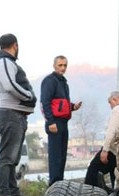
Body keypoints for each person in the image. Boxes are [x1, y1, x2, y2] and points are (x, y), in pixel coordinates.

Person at [0, 33, 36, 196]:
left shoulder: (5, 62)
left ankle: (12, 192)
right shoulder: (4, 61)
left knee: (12, 157)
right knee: (7, 156)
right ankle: (3, 194)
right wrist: (29, 96)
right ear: (15, 45)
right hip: (10, 115)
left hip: (15, 115)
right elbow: (9, 85)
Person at [40, 55, 81, 186]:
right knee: (55, 156)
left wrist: (73, 106)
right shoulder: (49, 81)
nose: (63, 68)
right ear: (54, 65)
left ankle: (60, 184)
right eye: (60, 65)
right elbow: (45, 102)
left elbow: (61, 104)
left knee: (62, 156)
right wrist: (50, 121)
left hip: (64, 122)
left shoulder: (64, 82)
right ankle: (54, 185)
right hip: (54, 123)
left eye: (65, 65)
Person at [84, 91, 119, 189]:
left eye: (110, 103)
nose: (111, 106)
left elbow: (111, 132)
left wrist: (105, 150)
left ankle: (89, 194)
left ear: (114, 99)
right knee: (115, 172)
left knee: (93, 169)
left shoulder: (117, 110)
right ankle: (116, 195)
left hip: (114, 149)